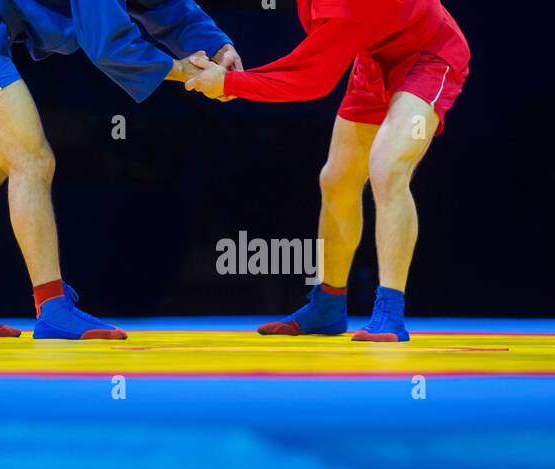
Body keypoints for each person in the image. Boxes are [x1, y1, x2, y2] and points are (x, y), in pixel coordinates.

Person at [0, 0, 242, 339]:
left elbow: (166, 6)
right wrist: (186, 72)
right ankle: (52, 307)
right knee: (33, 162)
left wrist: (218, 47)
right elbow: (109, 45)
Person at [185, 0, 469, 342]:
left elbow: (311, 79)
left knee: (387, 166)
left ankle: (390, 312)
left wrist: (231, 85)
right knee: (337, 179)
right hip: (374, 57)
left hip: (428, 56)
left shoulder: (351, 8)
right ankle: (328, 306)